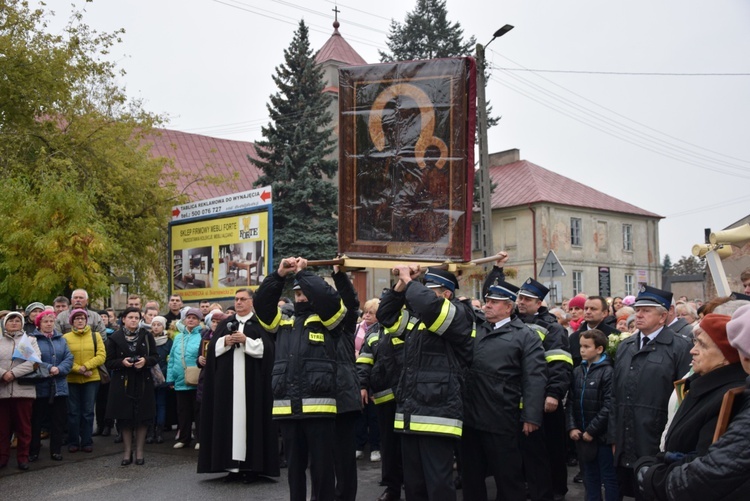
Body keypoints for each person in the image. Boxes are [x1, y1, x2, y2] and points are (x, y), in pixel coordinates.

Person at [252, 257, 347, 501]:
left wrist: (303, 274)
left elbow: (328, 298)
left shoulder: (329, 318)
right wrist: (279, 274)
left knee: (322, 468)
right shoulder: (283, 320)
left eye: (305, 293)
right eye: (297, 294)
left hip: (318, 407)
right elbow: (262, 304)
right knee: (294, 469)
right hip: (288, 407)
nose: (301, 297)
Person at [378, 265, 474, 501]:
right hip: (410, 414)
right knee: (414, 486)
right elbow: (386, 316)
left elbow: (429, 306)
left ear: (447, 294)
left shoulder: (459, 314)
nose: (424, 295)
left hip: (438, 416)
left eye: (432, 290)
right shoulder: (417, 321)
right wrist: (401, 285)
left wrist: (410, 281)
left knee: (439, 485)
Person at [634, 304, 750, 500]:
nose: (692, 351)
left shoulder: (728, 397)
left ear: (728, 356)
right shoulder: (699, 383)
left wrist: (655, 472)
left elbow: (710, 467)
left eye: (702, 345)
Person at [462, 279, 547, 501]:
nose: (487, 305)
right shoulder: (477, 328)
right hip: (470, 416)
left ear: (508, 307)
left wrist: (531, 415)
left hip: (500, 416)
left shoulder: (524, 335)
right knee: (471, 476)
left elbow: (534, 377)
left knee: (507, 476)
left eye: (494, 302)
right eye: (487, 300)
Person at [610, 286, 692, 499]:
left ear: (663, 316)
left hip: (657, 438)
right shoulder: (625, 346)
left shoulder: (680, 347)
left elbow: (684, 398)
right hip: (625, 436)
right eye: (637, 309)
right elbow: (614, 396)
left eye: (646, 310)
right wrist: (614, 436)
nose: (638, 314)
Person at [198, 289, 279, 482]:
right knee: (227, 422)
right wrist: (225, 341)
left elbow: (269, 350)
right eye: (236, 299)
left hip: (253, 386)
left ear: (252, 302)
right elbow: (211, 351)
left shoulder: (259, 324)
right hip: (227, 386)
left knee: (252, 421)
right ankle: (231, 467)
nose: (239, 302)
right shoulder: (226, 323)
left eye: (243, 299)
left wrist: (247, 341)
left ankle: (251, 467)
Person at [356, 294, 404, 501]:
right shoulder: (374, 332)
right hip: (384, 398)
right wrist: (362, 385)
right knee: (389, 447)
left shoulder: (405, 327)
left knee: (408, 448)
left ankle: (413, 488)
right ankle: (392, 488)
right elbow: (365, 360)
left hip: (407, 397)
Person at [566, 329, 618, 501]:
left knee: (608, 476)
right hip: (583, 435)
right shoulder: (578, 371)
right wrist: (572, 426)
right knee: (590, 476)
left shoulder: (608, 372)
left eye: (587, 347)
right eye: (581, 346)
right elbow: (572, 401)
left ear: (599, 349)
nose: (582, 350)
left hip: (601, 436)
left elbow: (608, 405)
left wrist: (592, 430)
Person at [105, 307, 158, 466]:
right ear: (123, 319)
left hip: (143, 381)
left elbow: (155, 356)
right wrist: (122, 362)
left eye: (137, 317)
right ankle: (127, 452)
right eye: (131, 317)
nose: (134, 320)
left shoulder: (147, 336)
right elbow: (108, 362)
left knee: (142, 417)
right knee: (124, 417)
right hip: (122, 381)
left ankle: (140, 451)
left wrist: (145, 361)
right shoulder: (114, 337)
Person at [29, 310, 73, 462]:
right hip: (40, 386)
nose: (49, 324)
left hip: (59, 386)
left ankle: (56, 450)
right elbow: (32, 359)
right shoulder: (32, 339)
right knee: (36, 421)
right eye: (45, 321)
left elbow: (69, 357)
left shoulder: (61, 339)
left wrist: (59, 369)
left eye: (51, 321)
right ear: (39, 324)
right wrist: (48, 368)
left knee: (58, 421)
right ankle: (33, 451)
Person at [0, 312, 42, 470]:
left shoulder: (28, 340)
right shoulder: (0, 340)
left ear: (22, 323)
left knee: (23, 427)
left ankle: (23, 457)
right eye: (10, 320)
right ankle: (3, 457)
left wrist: (13, 373)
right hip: (2, 390)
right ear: (5, 323)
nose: (14, 323)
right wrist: (3, 373)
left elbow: (34, 362)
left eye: (17, 320)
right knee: (2, 428)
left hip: (23, 390)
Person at [64, 308, 106, 454]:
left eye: (82, 318)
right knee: (73, 412)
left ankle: (87, 441)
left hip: (91, 378)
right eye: (76, 318)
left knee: (88, 412)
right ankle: (74, 441)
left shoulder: (96, 336)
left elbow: (101, 355)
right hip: (72, 378)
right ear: (72, 322)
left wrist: (87, 366)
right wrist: (79, 369)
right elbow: (65, 357)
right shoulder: (66, 338)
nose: (80, 321)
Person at [166, 307, 203, 449]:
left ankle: (200, 439)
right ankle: (184, 438)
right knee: (182, 412)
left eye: (194, 318)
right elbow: (173, 358)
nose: (191, 320)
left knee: (198, 411)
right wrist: (170, 378)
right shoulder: (178, 337)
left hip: (196, 380)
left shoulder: (202, 336)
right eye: (189, 317)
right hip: (180, 380)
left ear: (199, 321)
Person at [354, 298, 381, 463]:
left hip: (375, 377)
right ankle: (358, 445)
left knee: (375, 415)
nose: (367, 316)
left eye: (371, 313)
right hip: (360, 374)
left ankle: (376, 447)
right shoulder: (357, 329)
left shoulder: (382, 330)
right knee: (360, 413)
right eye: (366, 312)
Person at [148, 315, 172, 444]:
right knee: (150, 405)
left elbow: (171, 359)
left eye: (159, 325)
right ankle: (150, 431)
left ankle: (159, 432)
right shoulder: (147, 339)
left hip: (163, 376)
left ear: (163, 326)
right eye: (154, 325)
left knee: (161, 404)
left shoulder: (168, 341)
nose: (156, 327)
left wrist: (164, 374)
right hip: (149, 376)